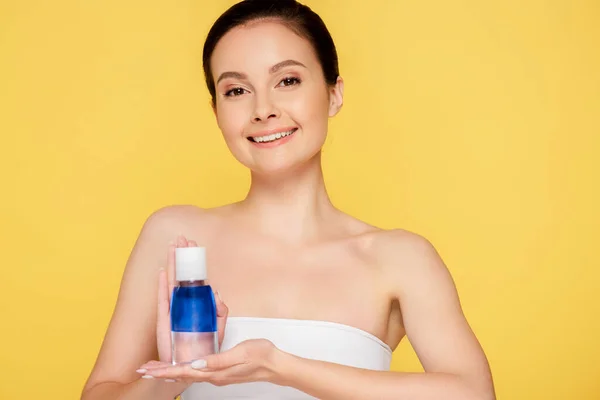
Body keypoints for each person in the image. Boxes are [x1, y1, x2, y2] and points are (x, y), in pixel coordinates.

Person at [81, 1, 496, 399]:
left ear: (334, 93)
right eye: (237, 90)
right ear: (216, 112)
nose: (263, 109)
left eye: (288, 81)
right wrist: (176, 375)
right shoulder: (176, 239)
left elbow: (473, 394)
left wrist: (281, 367)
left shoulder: (399, 258)